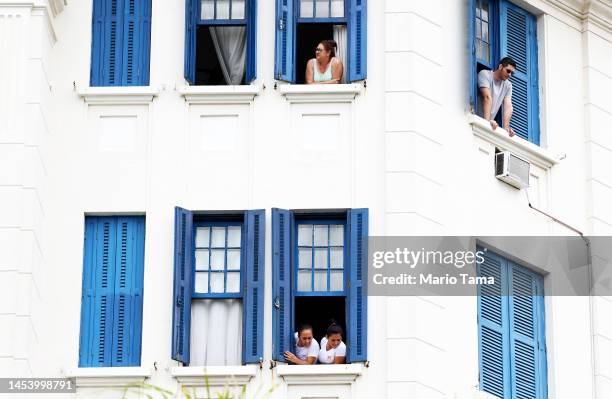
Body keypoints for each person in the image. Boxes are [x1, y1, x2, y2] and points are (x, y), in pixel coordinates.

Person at [478, 57, 517, 137]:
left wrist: (506, 128)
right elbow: (487, 98)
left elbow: (508, 106)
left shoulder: (508, 85)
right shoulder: (485, 74)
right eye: (508, 71)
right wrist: (487, 122)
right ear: (500, 67)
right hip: (477, 119)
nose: (509, 75)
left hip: (488, 124)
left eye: (512, 73)